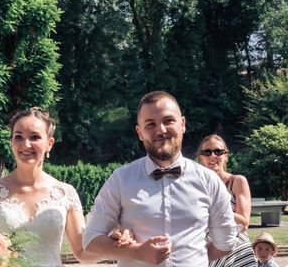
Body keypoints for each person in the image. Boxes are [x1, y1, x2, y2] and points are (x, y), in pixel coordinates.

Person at [83, 91, 236, 266]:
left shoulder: (209, 181)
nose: (161, 130)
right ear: (139, 132)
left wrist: (193, 259)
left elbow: (226, 242)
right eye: (150, 124)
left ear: (183, 124)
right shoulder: (120, 179)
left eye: (168, 121)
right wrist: (135, 252)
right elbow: (90, 240)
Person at [0, 107, 103, 266]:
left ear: (49, 144)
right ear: (11, 142)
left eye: (34, 137)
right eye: (18, 137)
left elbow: (82, 252)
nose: (26, 144)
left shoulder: (65, 193)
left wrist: (115, 246)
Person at [197, 134, 256, 267]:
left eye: (218, 151)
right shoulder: (194, 186)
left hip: (237, 253)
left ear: (226, 156)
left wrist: (214, 209)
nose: (212, 156)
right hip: (209, 251)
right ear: (201, 157)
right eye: (207, 152)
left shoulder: (237, 181)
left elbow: (244, 222)